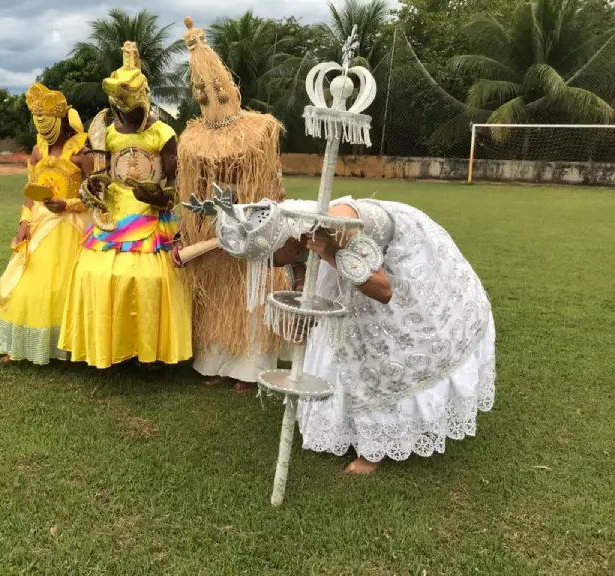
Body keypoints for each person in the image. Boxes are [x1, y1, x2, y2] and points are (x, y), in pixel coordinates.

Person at [281, 198, 496, 474]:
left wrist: (332, 255)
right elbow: (295, 265)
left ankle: (376, 447)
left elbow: (383, 290)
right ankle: (347, 429)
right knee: (339, 345)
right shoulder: (295, 229)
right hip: (346, 260)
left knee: (382, 350)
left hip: (389, 268)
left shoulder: (339, 227)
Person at [58, 42, 192, 370]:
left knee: (150, 279)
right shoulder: (109, 134)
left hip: (151, 212)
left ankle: (150, 353)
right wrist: (94, 186)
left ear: (143, 97)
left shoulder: (162, 132)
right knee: (95, 272)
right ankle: (111, 346)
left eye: (128, 100)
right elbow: (103, 177)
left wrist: (159, 198)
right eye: (118, 102)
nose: (123, 108)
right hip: (114, 212)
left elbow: (176, 185)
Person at [175, 17, 291, 393]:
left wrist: (247, 213)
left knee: (250, 295)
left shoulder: (261, 127)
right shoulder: (191, 138)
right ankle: (215, 361)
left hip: (251, 220)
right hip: (210, 224)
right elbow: (190, 187)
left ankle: (249, 369)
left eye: (219, 92)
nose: (211, 98)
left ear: (232, 88)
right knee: (215, 297)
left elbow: (268, 180)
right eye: (204, 95)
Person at [0, 83, 92, 365]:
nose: (44, 128)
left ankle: (73, 345)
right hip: (41, 222)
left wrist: (69, 204)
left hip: (74, 226)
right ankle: (23, 345)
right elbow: (30, 190)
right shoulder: (37, 151)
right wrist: (23, 222)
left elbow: (98, 194)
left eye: (47, 121)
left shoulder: (83, 153)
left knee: (66, 286)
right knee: (27, 283)